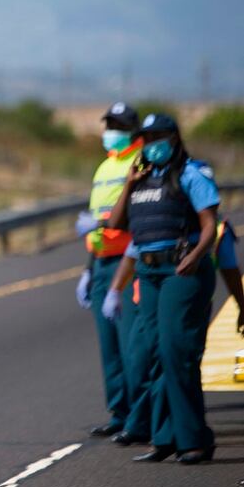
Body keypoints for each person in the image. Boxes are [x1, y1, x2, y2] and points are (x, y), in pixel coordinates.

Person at [107, 113, 219, 464]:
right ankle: (164, 438)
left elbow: (209, 224)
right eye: (147, 138)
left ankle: (194, 440)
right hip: (149, 272)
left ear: (173, 137)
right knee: (153, 353)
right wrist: (128, 183)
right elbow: (114, 225)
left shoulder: (190, 174)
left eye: (158, 137)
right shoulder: (141, 179)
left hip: (181, 272)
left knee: (176, 352)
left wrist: (197, 255)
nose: (151, 144)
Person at [102, 219, 244, 446]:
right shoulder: (156, 221)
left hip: (187, 305)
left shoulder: (217, 230)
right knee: (139, 363)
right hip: (146, 304)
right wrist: (115, 290)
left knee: (177, 363)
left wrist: (241, 304)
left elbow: (229, 268)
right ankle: (145, 426)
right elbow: (131, 254)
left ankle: (179, 434)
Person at [74, 102, 142, 438]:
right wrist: (89, 268)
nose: (110, 132)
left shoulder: (139, 162)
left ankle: (138, 417)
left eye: (117, 125)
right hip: (101, 261)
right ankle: (120, 412)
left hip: (127, 262)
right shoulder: (104, 167)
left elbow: (135, 212)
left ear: (132, 129)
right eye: (108, 124)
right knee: (109, 344)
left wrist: (98, 223)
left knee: (131, 342)